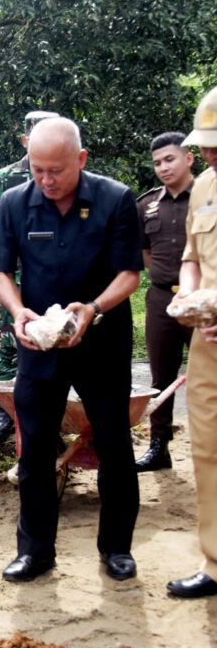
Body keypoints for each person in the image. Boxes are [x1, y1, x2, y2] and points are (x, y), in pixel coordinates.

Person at [0, 117, 143, 583]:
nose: (46, 180)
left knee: (113, 443)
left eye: (56, 170)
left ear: (81, 160)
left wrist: (93, 308)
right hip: (40, 344)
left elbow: (129, 274)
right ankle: (35, 551)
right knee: (34, 448)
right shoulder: (15, 203)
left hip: (101, 341)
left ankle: (116, 547)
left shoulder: (116, 199)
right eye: (37, 169)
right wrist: (18, 311)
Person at [166, 86, 217, 599]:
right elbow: (191, 255)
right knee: (206, 449)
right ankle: (215, 560)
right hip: (209, 343)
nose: (210, 154)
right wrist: (190, 294)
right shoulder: (203, 186)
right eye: (205, 144)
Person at [0, 110, 60, 444]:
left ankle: (53, 420)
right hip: (11, 276)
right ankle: (5, 412)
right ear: (25, 139)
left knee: (52, 344)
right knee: (7, 342)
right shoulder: (6, 178)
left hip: (51, 275)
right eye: (36, 136)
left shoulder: (66, 170)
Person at [135, 132, 194, 473]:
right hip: (161, 300)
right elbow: (145, 252)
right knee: (161, 378)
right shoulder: (147, 204)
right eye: (157, 162)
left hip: (204, 301)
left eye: (169, 159)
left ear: (189, 157)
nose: (163, 168)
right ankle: (159, 447)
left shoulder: (208, 197)